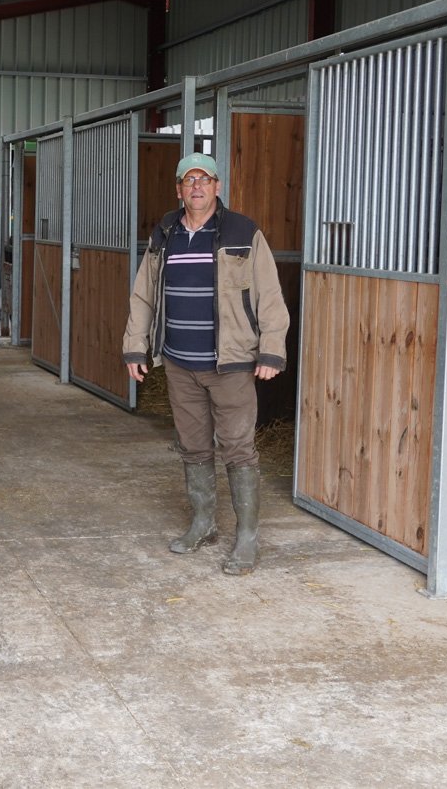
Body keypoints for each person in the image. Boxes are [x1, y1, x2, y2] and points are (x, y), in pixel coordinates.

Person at [123, 152, 290, 576]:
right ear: (178, 189)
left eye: (204, 179)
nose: (196, 186)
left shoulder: (243, 232)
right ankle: (204, 524)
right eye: (188, 180)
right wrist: (135, 347)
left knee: (238, 449)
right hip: (179, 363)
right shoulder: (165, 233)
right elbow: (144, 294)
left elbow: (270, 294)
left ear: (217, 186)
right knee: (193, 446)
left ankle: (247, 538)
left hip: (230, 365)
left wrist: (271, 349)